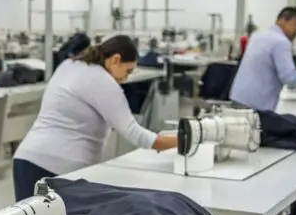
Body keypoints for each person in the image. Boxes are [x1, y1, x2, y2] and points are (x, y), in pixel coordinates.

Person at [12, 35, 178, 201]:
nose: (126, 78)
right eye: (127, 71)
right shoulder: (103, 82)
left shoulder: (71, 65)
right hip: (55, 169)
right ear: (115, 60)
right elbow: (135, 134)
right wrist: (182, 140)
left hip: (28, 160)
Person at [229, 6, 296, 112]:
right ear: (282, 21)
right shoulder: (281, 42)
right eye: (295, 24)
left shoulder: (258, 36)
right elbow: (289, 78)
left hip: (238, 98)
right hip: (254, 106)